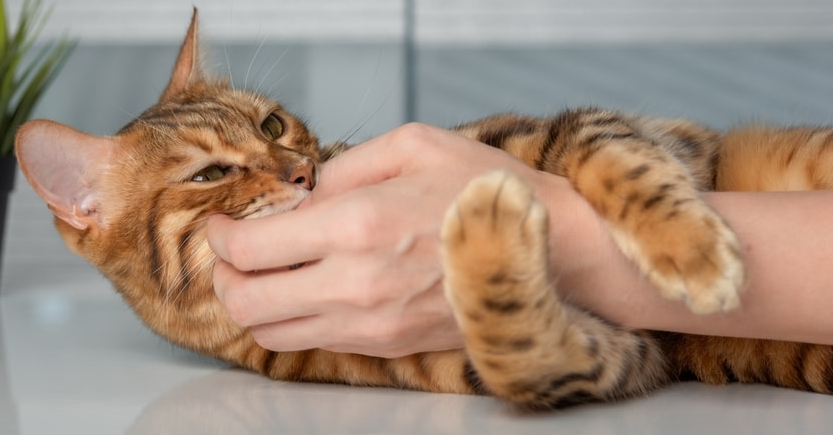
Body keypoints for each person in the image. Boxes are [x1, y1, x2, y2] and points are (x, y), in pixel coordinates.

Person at [206, 123, 833, 358]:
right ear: (99, 219)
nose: (289, 164)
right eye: (209, 173)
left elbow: (578, 135)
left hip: (753, 176)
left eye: (270, 125)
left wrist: (566, 245)